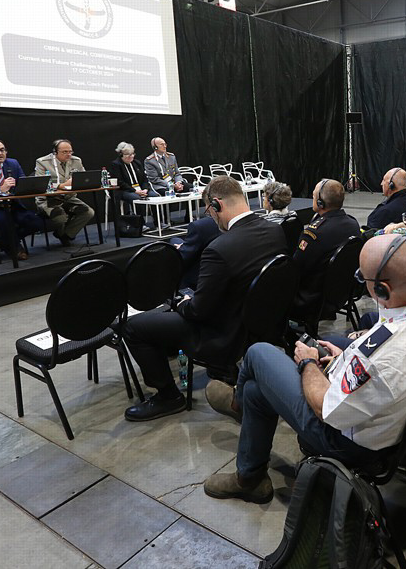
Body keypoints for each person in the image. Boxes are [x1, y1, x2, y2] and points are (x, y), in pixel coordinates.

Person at [201, 235, 406, 503]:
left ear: (382, 290)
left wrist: (308, 363)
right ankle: (250, 475)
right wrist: (345, 358)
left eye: (363, 279)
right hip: (390, 417)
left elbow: (326, 409)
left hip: (348, 443)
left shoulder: (377, 359)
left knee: (259, 353)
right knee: (257, 392)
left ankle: (238, 405)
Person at [122, 176, 287, 420]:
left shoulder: (219, 248)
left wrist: (181, 303)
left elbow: (198, 311)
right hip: (261, 326)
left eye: (209, 211)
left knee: (133, 327)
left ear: (217, 204)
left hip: (223, 336)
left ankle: (168, 396)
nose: (210, 217)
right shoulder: (275, 231)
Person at [289, 178, 360, 323]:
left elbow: (295, 270)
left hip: (312, 300)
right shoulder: (353, 224)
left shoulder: (313, 234)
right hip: (343, 293)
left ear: (320, 203)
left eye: (314, 195)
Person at [33, 139, 95, 246]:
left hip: (69, 197)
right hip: (49, 199)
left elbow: (84, 178)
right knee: (60, 218)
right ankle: (63, 234)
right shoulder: (42, 162)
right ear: (55, 152)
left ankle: (65, 235)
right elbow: (40, 184)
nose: (68, 154)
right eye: (64, 152)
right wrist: (60, 186)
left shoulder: (76, 161)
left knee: (88, 212)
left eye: (70, 151)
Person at [171, 213, 221, 292]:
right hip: (229, 277)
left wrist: (182, 247)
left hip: (200, 281)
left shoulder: (201, 226)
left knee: (174, 242)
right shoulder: (239, 225)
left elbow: (184, 257)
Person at [111, 142, 156, 213]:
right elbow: (120, 182)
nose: (131, 156)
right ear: (121, 154)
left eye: (132, 154)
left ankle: (158, 219)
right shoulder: (116, 164)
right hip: (125, 190)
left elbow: (144, 179)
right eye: (127, 154)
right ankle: (140, 220)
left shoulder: (137, 163)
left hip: (140, 189)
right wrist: (135, 191)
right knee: (137, 199)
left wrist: (145, 189)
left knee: (154, 196)